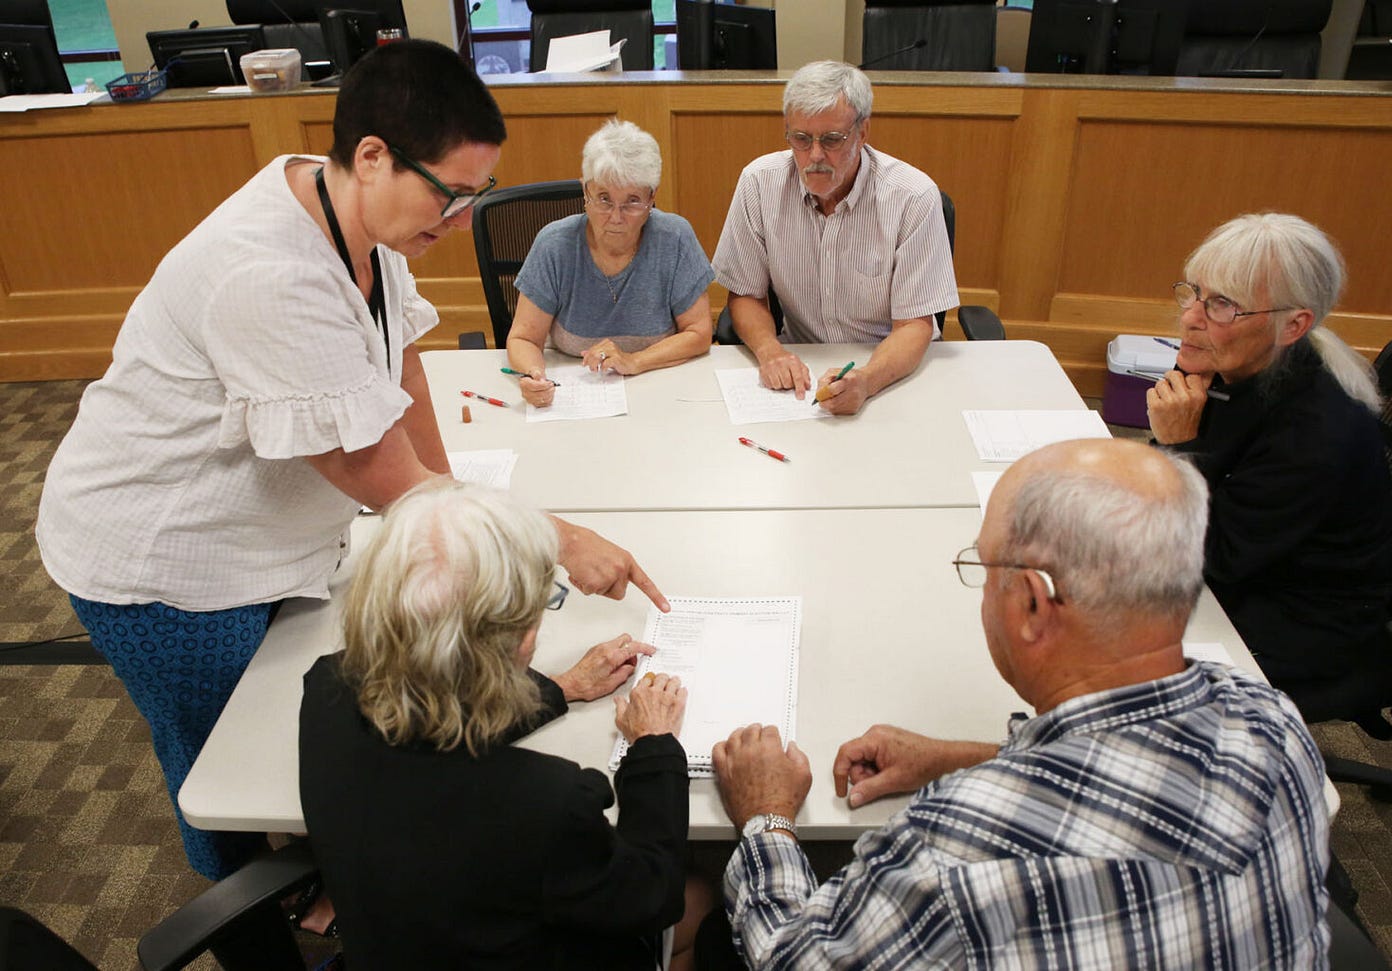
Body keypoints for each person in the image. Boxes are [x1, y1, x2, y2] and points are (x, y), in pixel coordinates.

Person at [33, 40, 664, 883]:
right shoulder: (267, 272)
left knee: (314, 745)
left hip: (274, 539)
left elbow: (401, 369)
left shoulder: (355, 206)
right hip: (168, 559)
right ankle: (251, 908)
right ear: (372, 156)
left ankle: (333, 881)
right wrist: (547, 538)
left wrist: (457, 503)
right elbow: (377, 473)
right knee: (227, 770)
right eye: (452, 196)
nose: (463, 221)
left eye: (475, 196)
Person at [710, 438, 1331, 968]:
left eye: (983, 570)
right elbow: (1129, 775)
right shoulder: (1270, 717)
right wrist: (956, 758)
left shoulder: (952, 858)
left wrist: (767, 815)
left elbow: (791, 959)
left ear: (1032, 604)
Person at [300, 481, 691, 969]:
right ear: (519, 641)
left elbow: (429, 725)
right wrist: (654, 747)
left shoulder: (325, 688)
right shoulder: (548, 802)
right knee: (699, 900)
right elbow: (652, 897)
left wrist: (561, 687)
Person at [1146, 212, 1392, 707]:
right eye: (1194, 292)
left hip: (1299, 620)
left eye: (1222, 304)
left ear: (1293, 325)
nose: (1191, 317)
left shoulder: (1317, 432)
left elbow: (1211, 556)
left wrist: (1177, 449)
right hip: (1245, 563)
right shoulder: (1232, 360)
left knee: (1100, 648)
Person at [712, 60, 958, 416]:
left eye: (831, 140)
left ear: (863, 132)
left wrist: (867, 381)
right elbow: (746, 295)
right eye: (800, 139)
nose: (814, 156)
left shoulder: (913, 197)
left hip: (889, 371)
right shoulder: (759, 183)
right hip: (802, 370)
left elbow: (914, 325)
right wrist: (771, 352)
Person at [508, 119, 713, 407]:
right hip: (572, 393)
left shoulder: (675, 238)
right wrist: (534, 376)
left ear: (652, 197)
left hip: (662, 393)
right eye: (603, 199)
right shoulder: (554, 245)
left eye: (632, 201)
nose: (616, 217)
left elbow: (699, 332)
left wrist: (634, 361)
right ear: (585, 191)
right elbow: (524, 339)